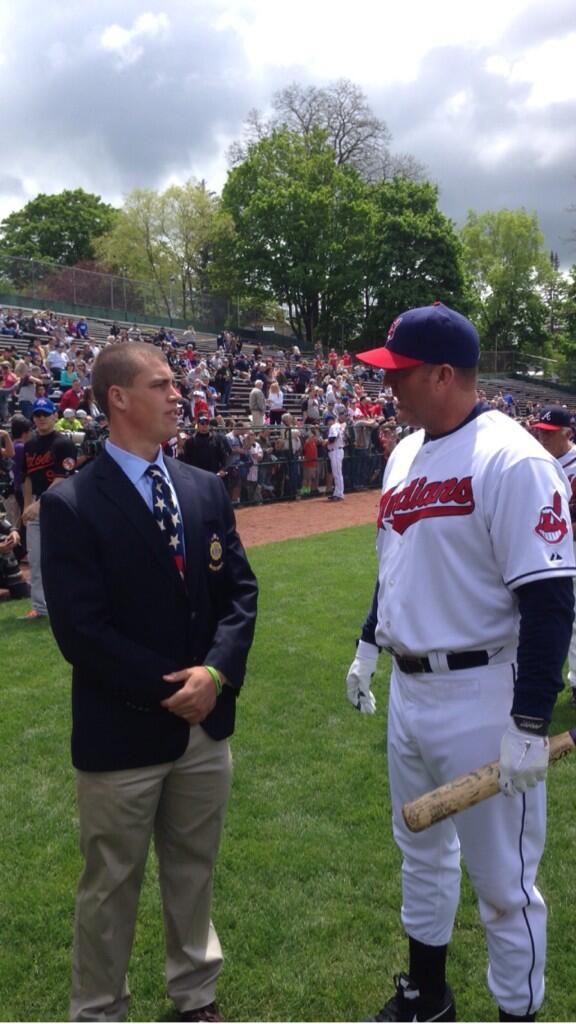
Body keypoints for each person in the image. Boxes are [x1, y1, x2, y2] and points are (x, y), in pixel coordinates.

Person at [345, 302, 576, 1023]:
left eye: (402, 373)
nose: (391, 387)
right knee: (421, 851)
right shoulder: (404, 453)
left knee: (505, 883)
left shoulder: (511, 458)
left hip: (485, 692)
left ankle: (519, 1014)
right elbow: (395, 569)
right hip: (411, 691)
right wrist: (366, 646)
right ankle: (427, 993)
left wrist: (528, 721)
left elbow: (549, 601)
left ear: (444, 374)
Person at [40, 342, 258, 1023]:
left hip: (202, 725)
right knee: (110, 887)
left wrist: (216, 673)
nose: (178, 393)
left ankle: (195, 996)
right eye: (162, 384)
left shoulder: (200, 486)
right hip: (123, 728)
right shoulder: (72, 502)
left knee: (193, 872)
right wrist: (175, 684)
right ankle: (100, 1010)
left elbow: (240, 595)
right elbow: (82, 631)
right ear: (118, 399)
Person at [533, 405, 576, 708]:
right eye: (539, 431)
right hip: (549, 553)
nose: (542, 437)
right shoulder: (538, 463)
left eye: (549, 433)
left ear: (567, 433)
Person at [21, 398, 77, 620]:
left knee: (63, 556)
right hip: (35, 504)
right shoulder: (30, 444)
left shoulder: (63, 444)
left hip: (59, 505)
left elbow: (62, 479)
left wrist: (38, 504)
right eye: (37, 415)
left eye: (45, 414)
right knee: (35, 558)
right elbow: (26, 478)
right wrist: (27, 505)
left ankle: (68, 603)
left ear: (55, 416)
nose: (41, 418)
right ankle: (40, 607)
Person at [324, 411, 345, 501]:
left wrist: (325, 442)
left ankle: (339, 494)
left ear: (332, 420)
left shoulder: (334, 426)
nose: (328, 423)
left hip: (336, 451)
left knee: (337, 474)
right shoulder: (337, 426)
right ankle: (337, 493)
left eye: (329, 420)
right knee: (337, 473)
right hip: (337, 450)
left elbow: (332, 439)